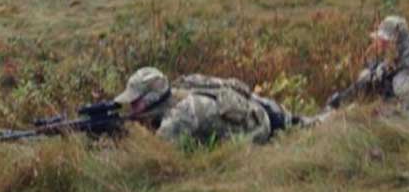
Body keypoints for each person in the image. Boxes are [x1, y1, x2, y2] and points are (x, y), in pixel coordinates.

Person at [114, 67, 310, 145]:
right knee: (298, 123)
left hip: (257, 129)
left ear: (151, 98)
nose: (131, 106)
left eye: (136, 101)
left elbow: (155, 154)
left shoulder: (180, 116)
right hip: (257, 108)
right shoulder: (180, 88)